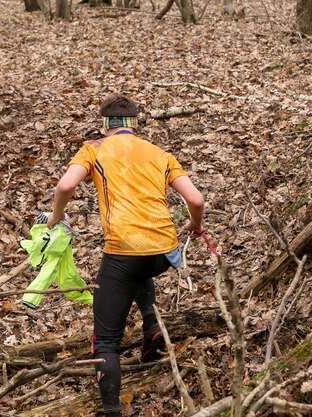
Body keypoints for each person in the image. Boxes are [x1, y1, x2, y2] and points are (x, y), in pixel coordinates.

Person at [46, 94, 204, 416]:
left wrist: (56, 216)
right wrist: (194, 225)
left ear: (105, 124)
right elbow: (197, 200)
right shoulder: (160, 153)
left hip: (123, 252)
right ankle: (150, 322)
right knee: (139, 268)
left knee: (105, 340)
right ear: (134, 124)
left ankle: (111, 411)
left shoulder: (94, 149)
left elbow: (64, 187)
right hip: (165, 252)